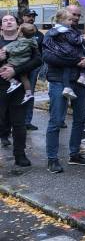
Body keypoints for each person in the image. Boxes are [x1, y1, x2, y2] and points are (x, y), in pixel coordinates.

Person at [43, 8, 85, 173]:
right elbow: (49, 58)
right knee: (56, 121)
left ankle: (74, 154)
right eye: (73, 15)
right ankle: (52, 159)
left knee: (80, 119)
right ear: (64, 16)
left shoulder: (79, 36)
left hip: (80, 80)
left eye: (78, 15)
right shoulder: (52, 34)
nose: (76, 18)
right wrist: (76, 61)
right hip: (59, 81)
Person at [0, 14, 41, 166]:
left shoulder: (26, 40)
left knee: (19, 123)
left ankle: (20, 155)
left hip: (19, 87)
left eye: (12, 20)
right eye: (5, 20)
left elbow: (38, 60)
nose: (9, 22)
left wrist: (15, 71)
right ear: (1, 26)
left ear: (18, 26)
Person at [44, 9, 85, 101]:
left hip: (76, 79)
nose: (74, 19)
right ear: (62, 19)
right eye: (71, 17)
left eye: (78, 15)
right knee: (58, 113)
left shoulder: (75, 32)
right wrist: (81, 40)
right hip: (58, 78)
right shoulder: (65, 31)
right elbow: (47, 56)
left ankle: (79, 78)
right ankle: (79, 78)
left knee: (80, 113)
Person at [19, 9, 44, 131]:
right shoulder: (18, 32)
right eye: (29, 15)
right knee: (17, 93)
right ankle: (15, 120)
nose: (31, 18)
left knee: (30, 94)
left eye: (33, 16)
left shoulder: (39, 34)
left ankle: (27, 121)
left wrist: (40, 67)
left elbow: (41, 53)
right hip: (19, 67)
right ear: (23, 17)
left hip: (33, 69)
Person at [1, 23, 39, 102]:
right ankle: (28, 93)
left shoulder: (24, 41)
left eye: (19, 29)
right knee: (24, 77)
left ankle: (14, 82)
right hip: (23, 61)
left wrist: (7, 49)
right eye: (5, 20)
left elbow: (18, 50)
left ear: (21, 33)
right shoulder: (29, 40)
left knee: (2, 69)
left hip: (17, 61)